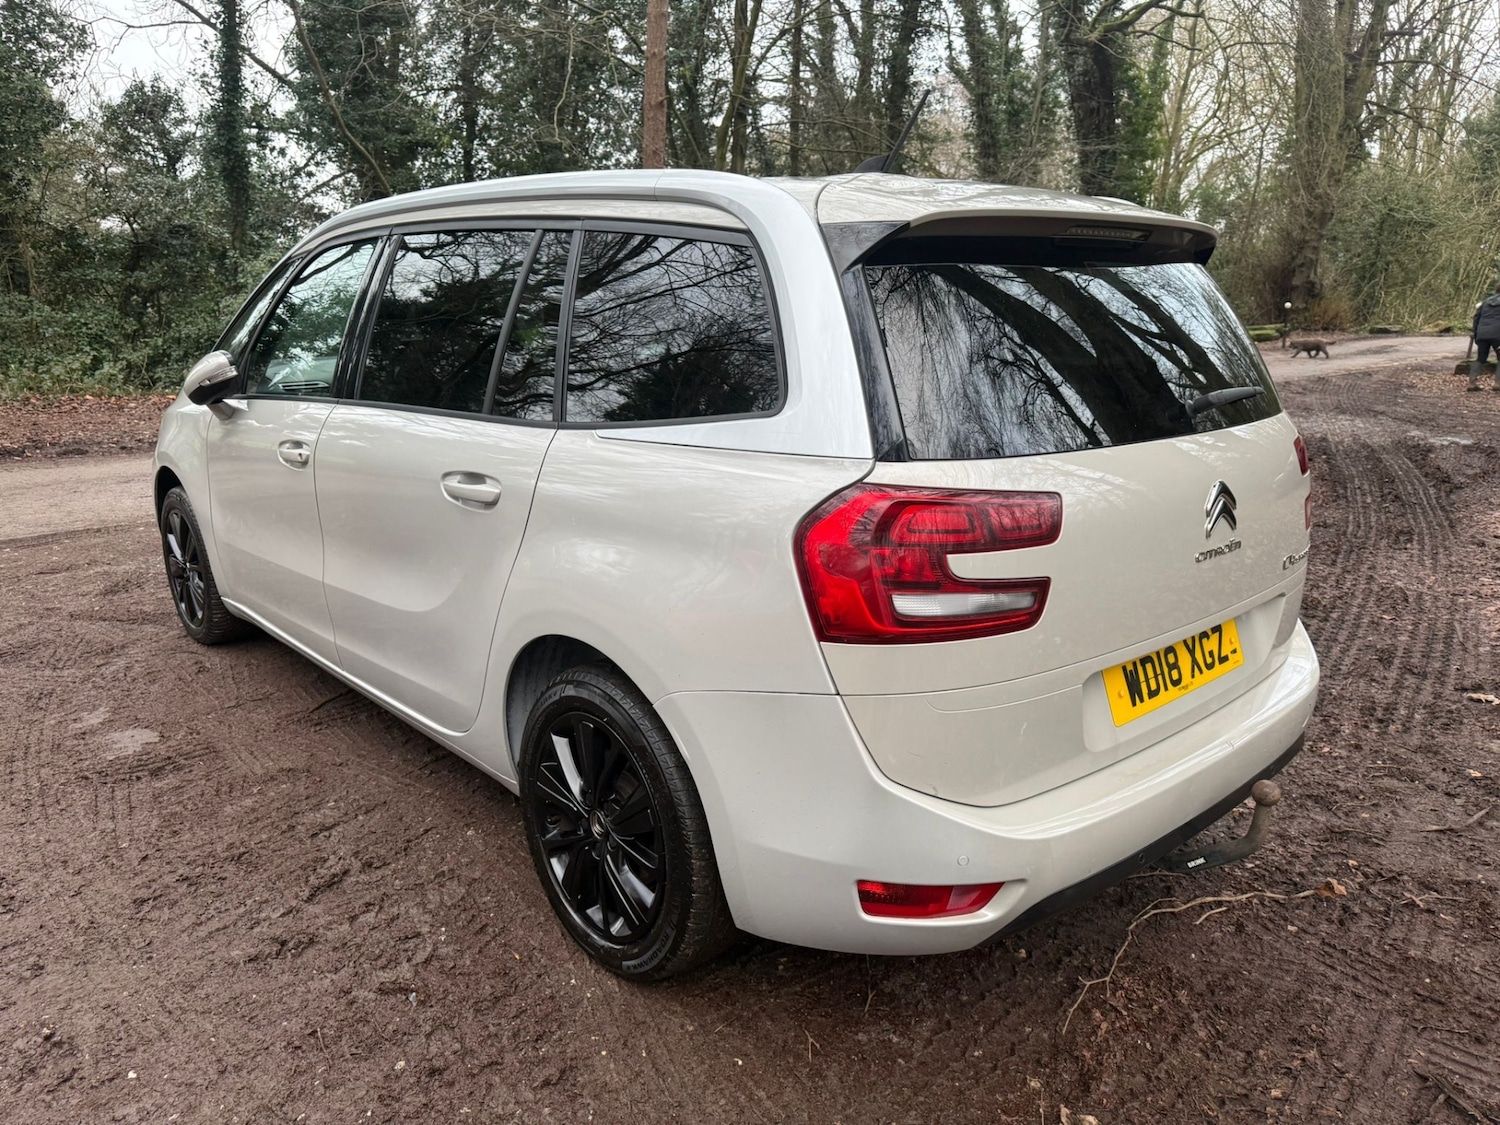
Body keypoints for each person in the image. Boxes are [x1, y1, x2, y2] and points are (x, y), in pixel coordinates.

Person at [1470, 283, 1500, 392]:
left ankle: (1472, 383)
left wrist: (1475, 333)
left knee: (1481, 358)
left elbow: (1476, 318)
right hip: (1498, 335)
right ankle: (1497, 384)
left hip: (1482, 334)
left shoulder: (1486, 302)